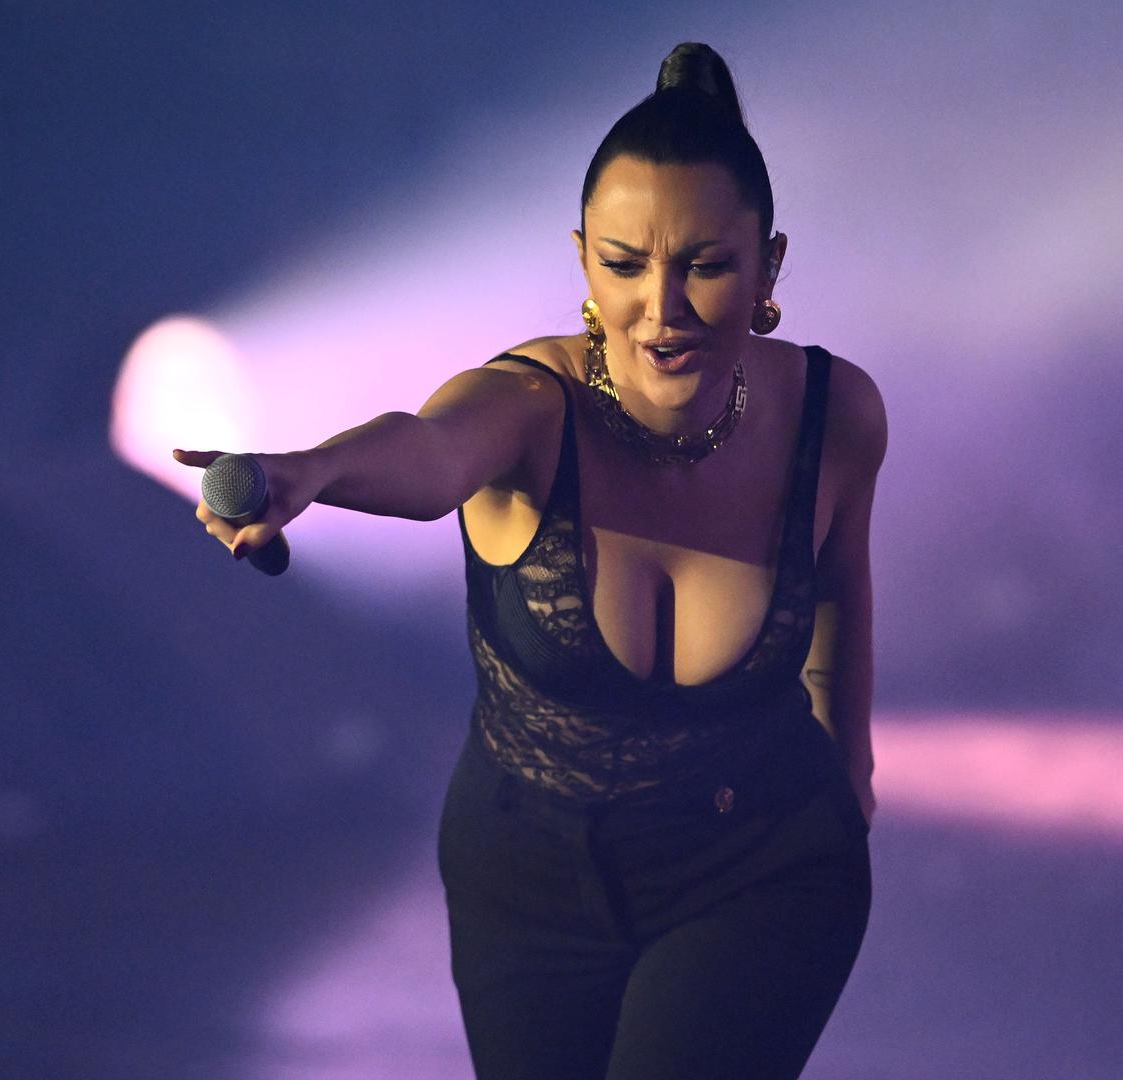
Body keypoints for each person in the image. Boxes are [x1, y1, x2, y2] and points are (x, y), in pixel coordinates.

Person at [177, 41, 886, 1080]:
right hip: (527, 890)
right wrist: (313, 471)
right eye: (625, 264)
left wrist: (849, 768)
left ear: (769, 266)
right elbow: (426, 454)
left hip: (762, 867)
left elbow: (839, 587)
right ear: (583, 260)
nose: (662, 309)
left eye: (704, 265)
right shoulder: (527, 405)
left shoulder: (834, 412)